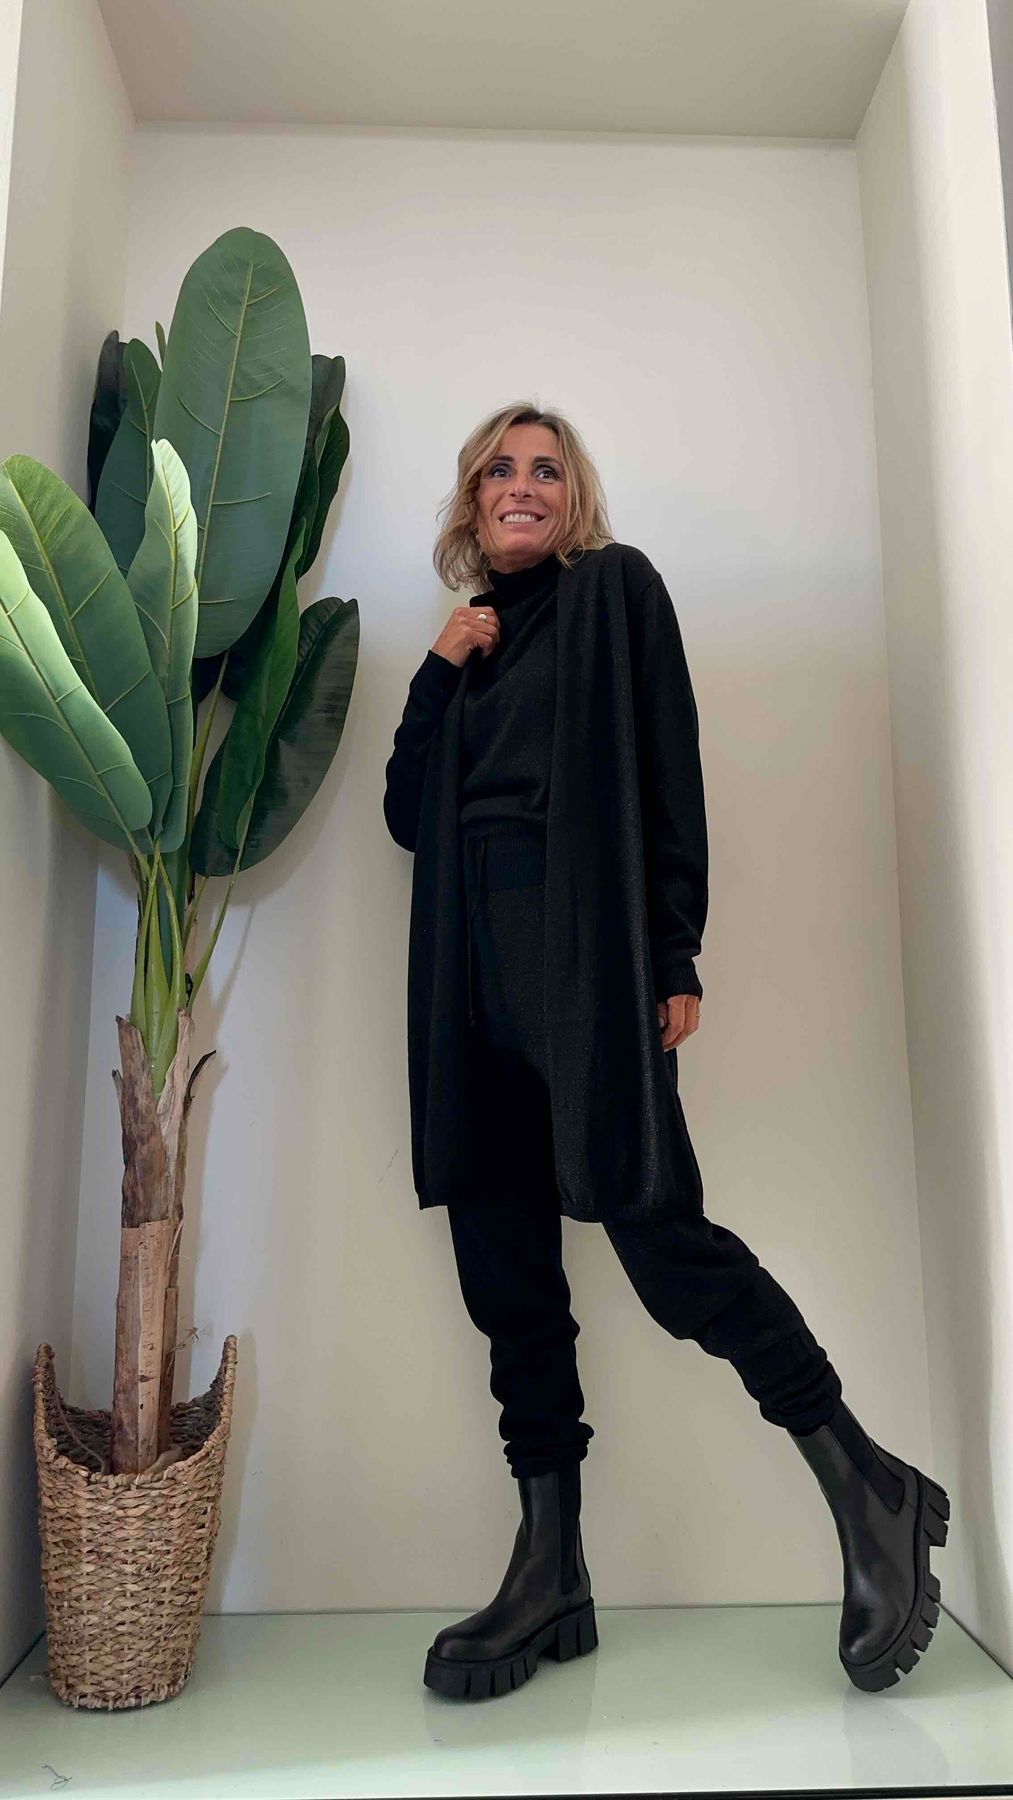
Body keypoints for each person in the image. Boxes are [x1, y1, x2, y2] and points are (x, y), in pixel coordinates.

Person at [383, 401, 950, 1704]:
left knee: (664, 1245)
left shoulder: (613, 595)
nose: (523, 486)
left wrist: (674, 954)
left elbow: (666, 773)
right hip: (464, 994)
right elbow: (410, 818)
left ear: (573, 499)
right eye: (498, 470)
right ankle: (552, 1572)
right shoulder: (469, 646)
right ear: (471, 503)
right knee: (507, 1282)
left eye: (547, 470)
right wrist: (436, 669)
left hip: (580, 974)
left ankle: (868, 1487)